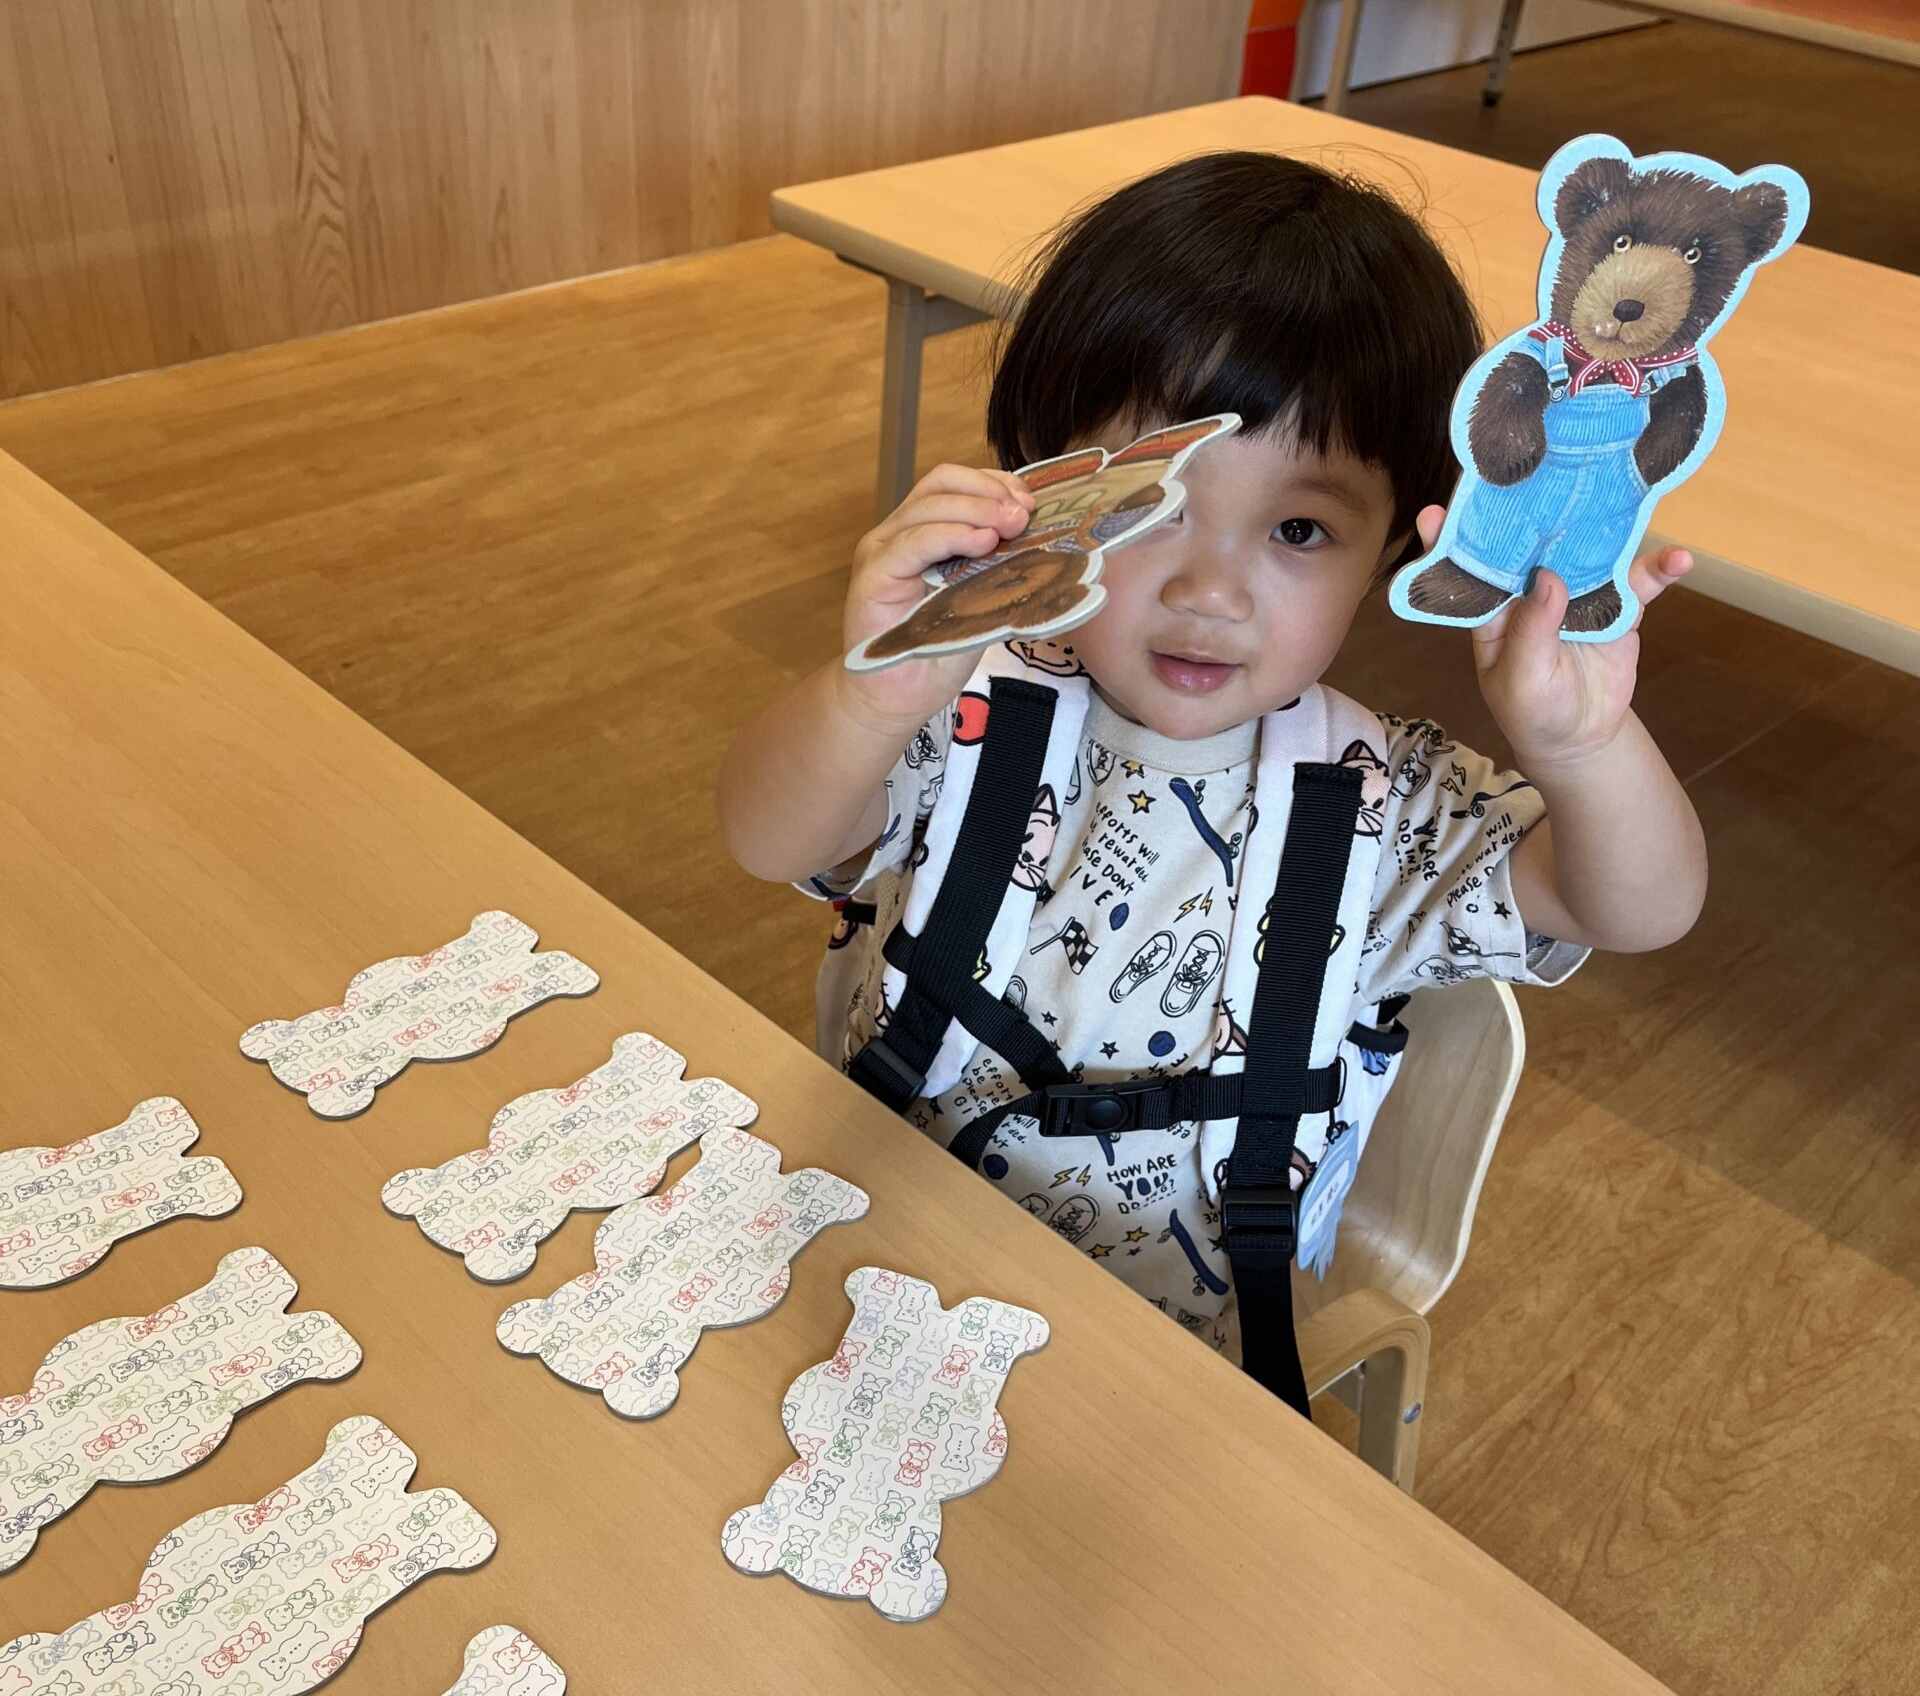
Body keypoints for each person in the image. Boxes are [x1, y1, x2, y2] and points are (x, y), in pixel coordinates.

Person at [718, 152, 1706, 1395]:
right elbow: (767, 836)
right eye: (1153, 505)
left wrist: (1582, 746)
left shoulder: (1379, 802)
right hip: (865, 1246)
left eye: (1299, 529)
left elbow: (1641, 907)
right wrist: (871, 692)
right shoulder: (964, 692)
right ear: (1040, 485)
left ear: (1394, 550)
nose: (1210, 591)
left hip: (1159, 1371)